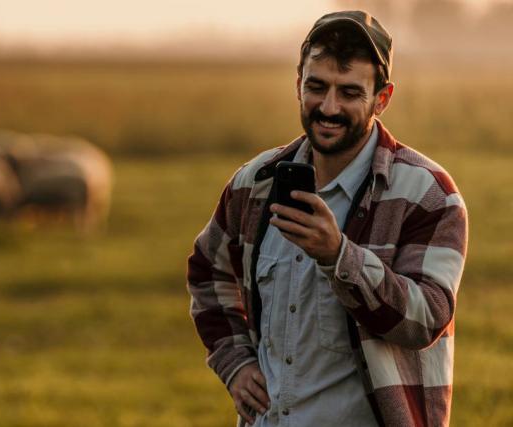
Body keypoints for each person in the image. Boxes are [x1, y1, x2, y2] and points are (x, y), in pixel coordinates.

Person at [186, 10, 468, 427]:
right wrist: (235, 363)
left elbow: (426, 317)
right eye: (316, 87)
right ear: (298, 83)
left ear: (382, 98)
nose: (329, 107)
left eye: (350, 92)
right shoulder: (254, 184)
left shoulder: (427, 195)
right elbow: (208, 272)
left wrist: (339, 256)